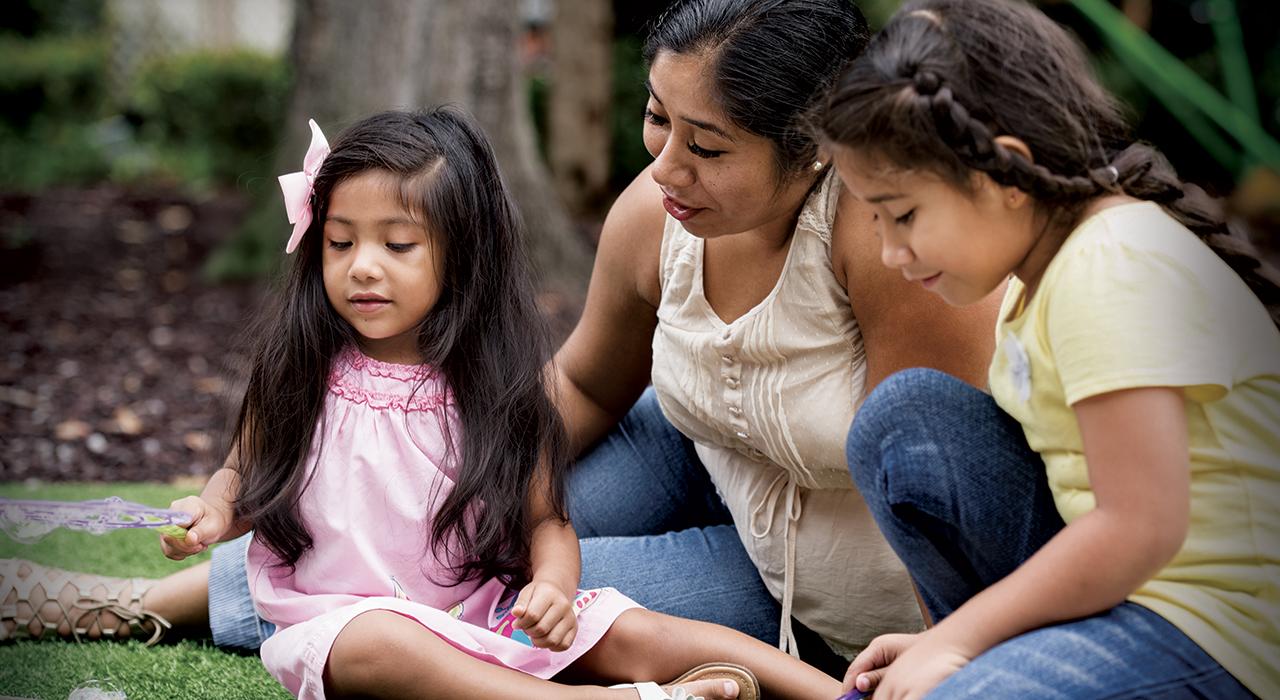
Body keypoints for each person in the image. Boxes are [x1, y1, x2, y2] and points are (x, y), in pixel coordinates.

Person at [2, 0, 999, 675]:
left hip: (819, 554)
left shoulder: (888, 241)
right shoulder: (655, 215)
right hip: (694, 444)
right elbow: (582, 388)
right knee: (429, 538)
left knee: (490, 603)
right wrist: (432, 462)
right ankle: (148, 595)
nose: (666, 165)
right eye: (657, 121)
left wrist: (938, 655)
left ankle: (193, 602)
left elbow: (927, 486)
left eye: (706, 145)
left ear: (812, 148)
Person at [167, 106, 843, 700]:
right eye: (340, 242)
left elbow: (548, 522)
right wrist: (212, 512)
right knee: (379, 643)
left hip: (481, 611)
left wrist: (551, 586)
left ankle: (840, 694)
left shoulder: (499, 393)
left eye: (397, 244)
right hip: (343, 621)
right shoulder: (299, 373)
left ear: (463, 257)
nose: (362, 265)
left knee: (632, 627)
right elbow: (244, 479)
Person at [817, 1, 1280, 698]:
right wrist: (952, 639)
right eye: (876, 220)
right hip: (1130, 592)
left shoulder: (1108, 266)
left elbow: (1142, 526)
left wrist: (962, 636)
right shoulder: (1043, 272)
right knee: (907, 419)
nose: (889, 251)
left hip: (1221, 628)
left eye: (903, 214)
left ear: (1005, 173)